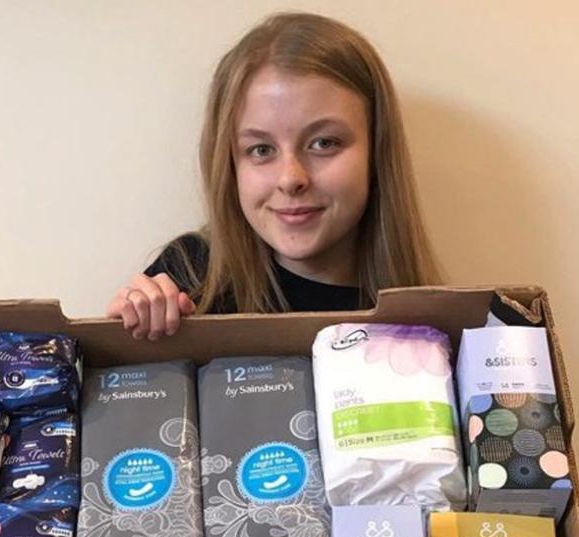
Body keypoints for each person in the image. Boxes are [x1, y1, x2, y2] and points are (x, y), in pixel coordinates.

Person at [107, 12, 440, 340]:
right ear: (229, 164)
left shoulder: (429, 326)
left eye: (323, 143)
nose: (290, 179)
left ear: (376, 151)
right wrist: (122, 338)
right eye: (261, 150)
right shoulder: (190, 278)